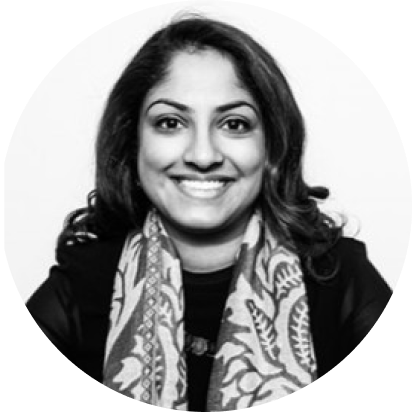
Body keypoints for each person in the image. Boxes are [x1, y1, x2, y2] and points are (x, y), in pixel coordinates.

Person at [26, 15, 392, 411]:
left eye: (234, 124)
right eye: (170, 123)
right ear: (133, 142)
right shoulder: (82, 283)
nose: (203, 155)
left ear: (272, 146)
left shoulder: (339, 279)